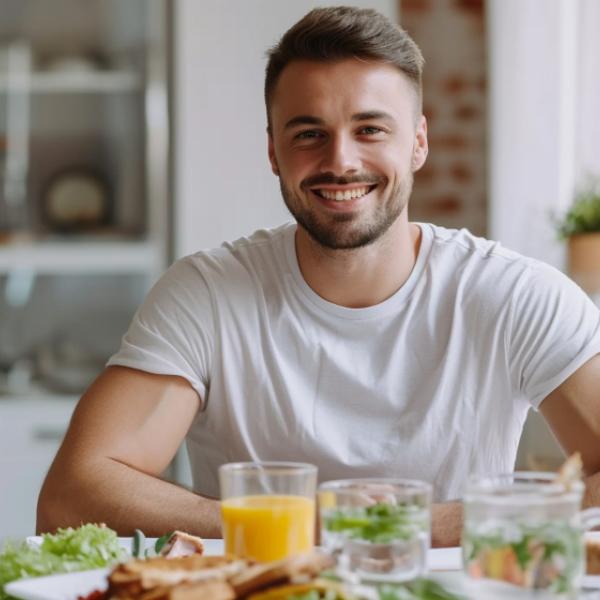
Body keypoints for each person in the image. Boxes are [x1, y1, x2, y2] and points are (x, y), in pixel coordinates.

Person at [37, 6, 600, 548]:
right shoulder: (207, 295)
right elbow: (73, 494)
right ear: (273, 150)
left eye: (371, 129)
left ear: (420, 141)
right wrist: (308, 528)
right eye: (309, 133)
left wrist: (410, 527)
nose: (341, 161)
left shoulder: (515, 294)